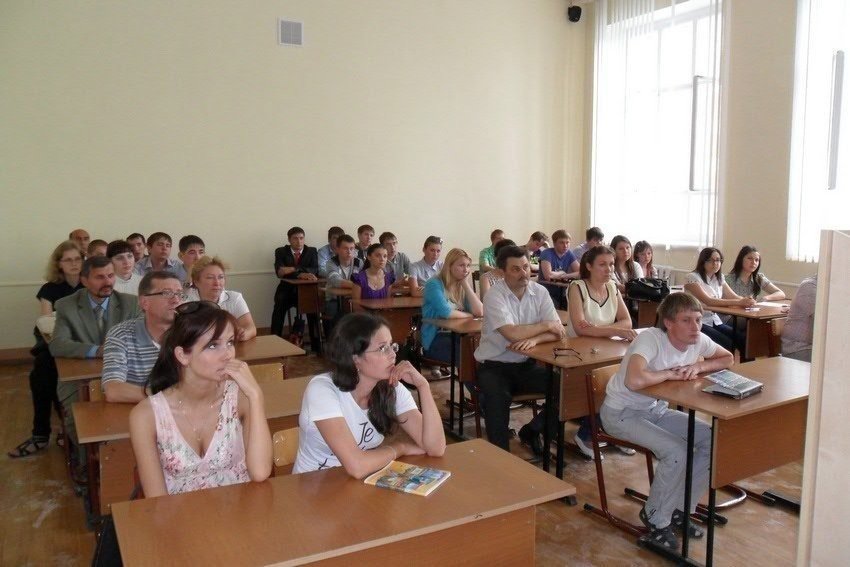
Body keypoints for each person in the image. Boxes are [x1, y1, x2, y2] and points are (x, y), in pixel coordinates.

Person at [600, 292, 734, 549]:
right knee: (677, 451)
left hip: (655, 410)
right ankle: (655, 517)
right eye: (686, 320)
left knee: (712, 440)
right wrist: (670, 373)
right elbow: (634, 381)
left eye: (698, 319)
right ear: (669, 323)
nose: (695, 327)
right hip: (621, 413)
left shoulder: (697, 339)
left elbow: (727, 357)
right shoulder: (650, 339)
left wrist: (699, 367)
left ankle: (680, 509)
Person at [129, 302, 272, 496]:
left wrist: (256, 396)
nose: (228, 354)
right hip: (181, 519)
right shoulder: (146, 415)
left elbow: (260, 472)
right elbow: (157, 500)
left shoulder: (240, 397)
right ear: (182, 356)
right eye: (213, 345)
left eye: (230, 342)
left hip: (240, 513)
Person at [292, 312, 445, 477]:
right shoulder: (322, 390)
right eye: (382, 348)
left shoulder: (391, 387)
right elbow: (357, 466)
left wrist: (423, 386)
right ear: (355, 358)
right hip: (313, 487)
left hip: (355, 486)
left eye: (392, 346)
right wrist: (400, 448)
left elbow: (435, 448)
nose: (393, 355)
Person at [49, 256, 140, 469]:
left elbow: (138, 339)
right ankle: (88, 469)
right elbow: (58, 344)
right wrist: (97, 351)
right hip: (79, 379)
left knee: (129, 419)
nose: (107, 282)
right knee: (79, 423)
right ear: (84, 280)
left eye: (110, 275)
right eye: (99, 277)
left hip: (123, 375)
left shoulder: (130, 303)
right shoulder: (66, 305)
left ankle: (120, 469)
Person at [474, 245, 565, 454]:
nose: (523, 273)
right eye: (515, 269)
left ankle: (534, 431)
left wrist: (535, 340)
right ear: (502, 272)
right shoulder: (494, 296)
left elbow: (558, 332)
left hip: (526, 365)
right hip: (494, 367)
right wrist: (546, 326)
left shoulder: (539, 292)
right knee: (497, 401)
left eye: (525, 267)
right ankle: (501, 459)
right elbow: (512, 334)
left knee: (566, 388)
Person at [8, 241, 84, 458]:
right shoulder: (49, 289)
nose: (74, 264)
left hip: (81, 343)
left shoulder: (90, 285)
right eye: (68, 260)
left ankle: (67, 431)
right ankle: (40, 435)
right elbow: (47, 323)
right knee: (42, 375)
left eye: (77, 259)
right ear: (59, 264)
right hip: (53, 342)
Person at [565, 245, 637, 458]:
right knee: (598, 387)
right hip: (578, 352)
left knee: (626, 383)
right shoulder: (577, 287)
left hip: (606, 348)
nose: (608, 269)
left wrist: (598, 330)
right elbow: (580, 327)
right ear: (588, 266)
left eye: (612, 264)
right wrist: (613, 330)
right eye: (602, 265)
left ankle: (616, 430)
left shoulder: (613, 287)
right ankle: (586, 434)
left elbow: (628, 321)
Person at [102, 272, 186, 403]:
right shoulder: (121, 335)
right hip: (140, 414)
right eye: (167, 293)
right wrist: (167, 397)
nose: (176, 300)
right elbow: (113, 390)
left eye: (180, 294)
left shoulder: (191, 333)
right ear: (144, 302)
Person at [684, 247, 754, 353]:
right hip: (699, 321)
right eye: (710, 260)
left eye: (718, 260)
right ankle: (721, 367)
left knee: (743, 339)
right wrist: (739, 302)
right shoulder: (692, 277)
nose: (715, 263)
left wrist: (748, 300)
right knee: (727, 344)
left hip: (715, 320)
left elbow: (734, 296)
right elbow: (708, 301)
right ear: (703, 261)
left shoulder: (719, 278)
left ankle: (747, 367)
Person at [421, 248, 484, 363]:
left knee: (477, 347)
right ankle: (475, 380)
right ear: (449, 266)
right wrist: (469, 315)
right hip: (434, 339)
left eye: (468, 265)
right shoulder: (434, 284)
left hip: (458, 335)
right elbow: (446, 313)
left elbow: (480, 312)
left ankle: (477, 380)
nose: (466, 270)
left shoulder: (461, 285)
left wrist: (465, 284)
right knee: (468, 354)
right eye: (461, 265)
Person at [271, 226, 320, 350]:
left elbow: (315, 269)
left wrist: (293, 269)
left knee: (313, 309)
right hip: (286, 290)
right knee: (278, 310)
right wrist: (301, 274)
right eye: (295, 239)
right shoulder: (281, 251)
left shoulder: (312, 251)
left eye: (301, 238)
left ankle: (316, 344)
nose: (299, 242)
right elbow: (280, 272)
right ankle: (273, 342)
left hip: (307, 291)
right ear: (289, 240)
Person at [187, 256, 257, 341]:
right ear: (196, 281)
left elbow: (250, 328)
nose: (217, 283)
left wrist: (243, 334)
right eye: (210, 277)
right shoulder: (186, 301)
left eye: (220, 277)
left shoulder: (234, 298)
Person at [323, 234, 363, 326]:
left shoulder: (359, 262)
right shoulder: (331, 262)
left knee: (364, 314)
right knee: (336, 316)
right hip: (334, 299)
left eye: (352, 248)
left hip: (353, 298)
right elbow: (336, 281)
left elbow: (364, 279)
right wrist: (357, 286)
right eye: (345, 248)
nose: (349, 252)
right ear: (337, 249)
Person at [539, 230, 580, 308]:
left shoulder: (569, 254)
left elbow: (581, 272)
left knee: (575, 304)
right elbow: (548, 275)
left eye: (567, 242)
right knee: (556, 307)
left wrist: (564, 275)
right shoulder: (547, 253)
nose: (565, 246)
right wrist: (561, 273)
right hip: (546, 292)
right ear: (554, 244)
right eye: (561, 242)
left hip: (563, 291)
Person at [782, 276, 817, 362]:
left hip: (817, 347)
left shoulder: (835, 289)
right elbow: (826, 322)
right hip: (799, 348)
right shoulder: (809, 286)